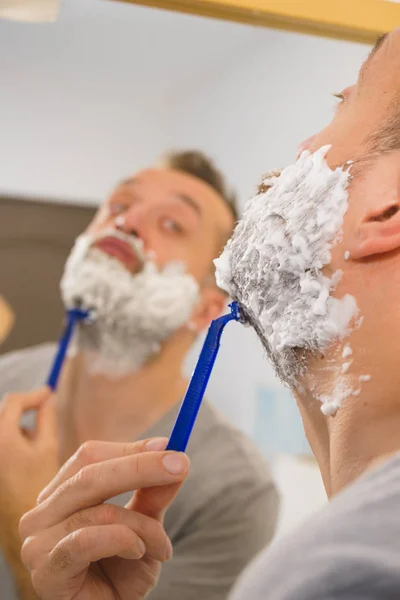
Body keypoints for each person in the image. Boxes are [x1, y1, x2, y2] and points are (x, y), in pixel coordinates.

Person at [20, 27, 400, 599]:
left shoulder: (342, 567)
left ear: (387, 208)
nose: (124, 223)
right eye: (119, 205)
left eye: (345, 99)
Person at [0, 151, 279, 600]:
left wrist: (18, 524)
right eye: (118, 205)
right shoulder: (5, 378)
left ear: (208, 307)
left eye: (171, 224)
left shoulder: (233, 492)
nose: (125, 222)